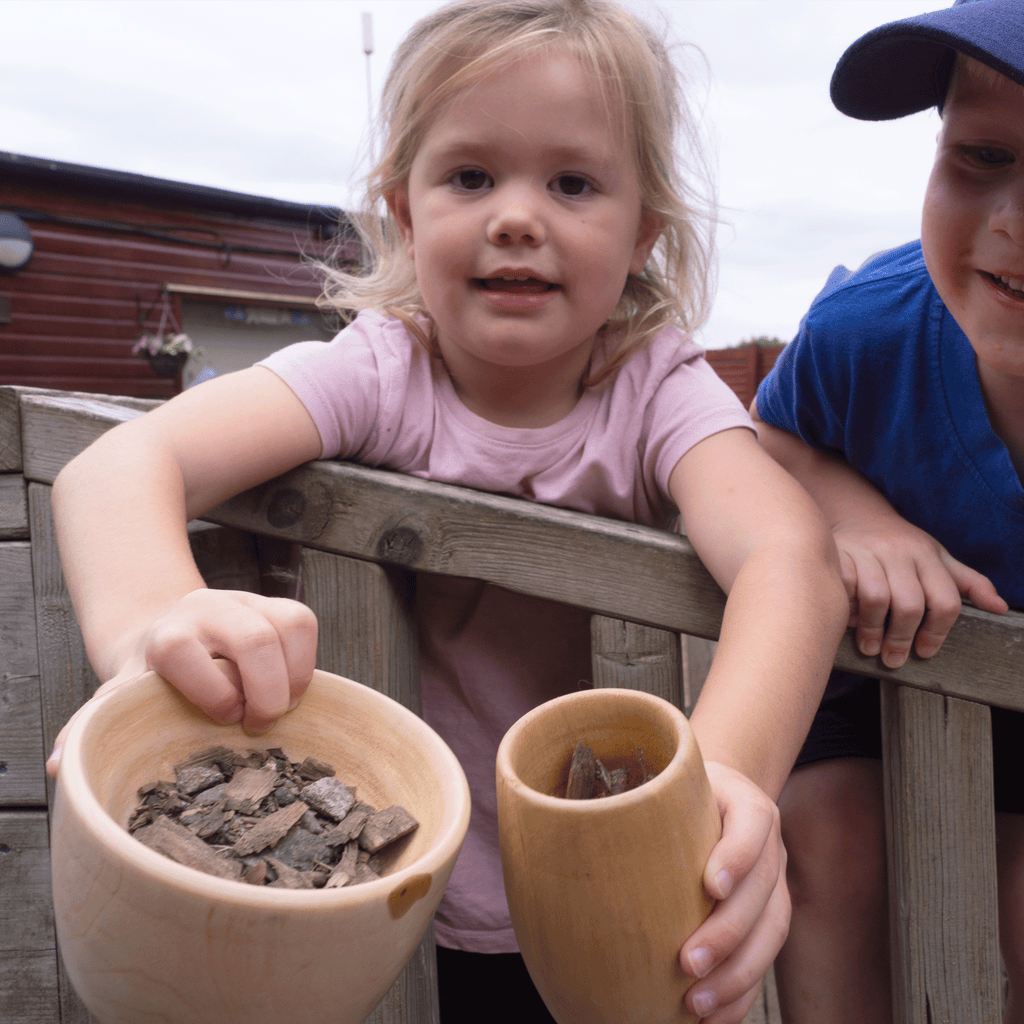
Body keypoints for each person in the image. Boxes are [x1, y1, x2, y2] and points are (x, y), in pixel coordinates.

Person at [47, 2, 848, 1022]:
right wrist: (153, 621)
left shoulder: (655, 389)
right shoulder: (383, 369)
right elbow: (121, 463)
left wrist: (719, 781)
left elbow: (791, 558)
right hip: (364, 877)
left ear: (642, 230)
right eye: (470, 177)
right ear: (405, 212)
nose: (516, 216)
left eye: (572, 183)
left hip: (602, 886)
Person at [751, 1, 1024, 1021]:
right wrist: (854, 514)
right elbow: (768, 439)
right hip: (884, 673)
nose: (1015, 220)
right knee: (826, 839)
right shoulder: (865, 331)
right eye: (984, 156)